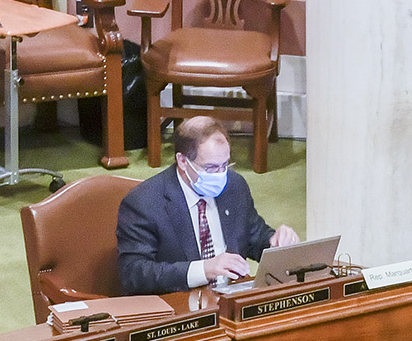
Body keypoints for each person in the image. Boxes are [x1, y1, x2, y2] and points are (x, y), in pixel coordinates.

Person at [115, 115, 299, 294]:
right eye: (210, 168)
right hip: (181, 305)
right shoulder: (144, 203)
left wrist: (275, 243)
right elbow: (134, 275)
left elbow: (253, 236)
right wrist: (203, 270)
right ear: (183, 161)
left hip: (231, 299)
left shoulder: (234, 185)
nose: (220, 175)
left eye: (225, 165)